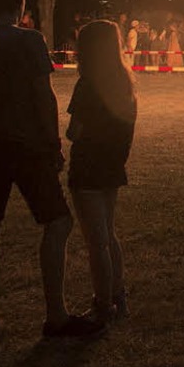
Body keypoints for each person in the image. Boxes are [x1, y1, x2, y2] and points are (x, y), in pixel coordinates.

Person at [0, 0, 99, 339]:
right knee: (58, 222)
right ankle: (56, 315)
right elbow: (43, 94)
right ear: (21, 6)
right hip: (27, 146)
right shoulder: (30, 41)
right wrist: (53, 143)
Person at [67, 20, 137, 328]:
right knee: (109, 234)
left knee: (96, 242)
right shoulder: (125, 82)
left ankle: (103, 304)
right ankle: (118, 296)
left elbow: (74, 131)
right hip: (112, 166)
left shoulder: (88, 85)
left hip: (88, 167)